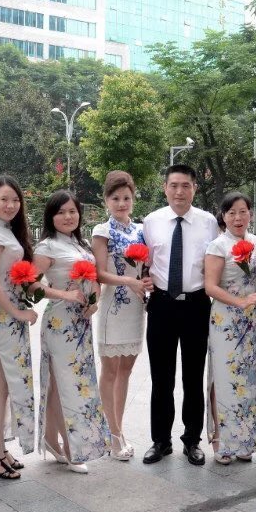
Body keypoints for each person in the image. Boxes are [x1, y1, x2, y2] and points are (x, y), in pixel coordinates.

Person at [141, 164, 219, 465]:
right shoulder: (151, 221)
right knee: (161, 378)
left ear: (194, 189)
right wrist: (144, 280)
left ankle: (192, 440)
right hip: (161, 304)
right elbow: (145, 262)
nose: (179, 191)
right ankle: (160, 441)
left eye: (186, 185)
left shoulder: (208, 222)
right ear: (165, 188)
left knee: (193, 376)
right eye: (173, 185)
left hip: (196, 305)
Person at [34, 190, 110, 473]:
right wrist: (63, 295)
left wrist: (95, 300)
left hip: (81, 323)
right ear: (51, 217)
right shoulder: (47, 247)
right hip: (59, 322)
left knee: (70, 383)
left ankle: (52, 439)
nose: (68, 217)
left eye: (72, 211)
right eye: (61, 212)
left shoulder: (82, 244)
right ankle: (69, 447)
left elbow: (94, 279)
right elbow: (29, 283)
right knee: (64, 384)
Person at [0, 175, 37, 480]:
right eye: (4, 199)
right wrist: (16, 311)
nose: (10, 205)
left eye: (15, 200)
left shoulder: (5, 230)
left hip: (10, 316)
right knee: (0, 386)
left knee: (5, 385)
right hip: (2, 316)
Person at [91, 171, 151, 461]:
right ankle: (112, 435)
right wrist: (129, 281)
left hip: (136, 306)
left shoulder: (141, 231)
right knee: (111, 370)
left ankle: (118, 428)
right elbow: (99, 273)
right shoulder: (102, 231)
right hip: (113, 306)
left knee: (126, 369)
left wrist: (146, 280)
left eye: (126, 198)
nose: (121, 203)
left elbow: (145, 268)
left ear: (133, 198)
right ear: (106, 200)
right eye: (115, 198)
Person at [205, 192, 256, 464]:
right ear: (223, 216)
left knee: (247, 379)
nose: (238, 217)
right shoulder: (218, 246)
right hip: (225, 320)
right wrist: (240, 302)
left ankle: (243, 440)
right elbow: (210, 287)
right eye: (231, 213)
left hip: (250, 321)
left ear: (250, 214)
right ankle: (221, 439)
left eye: (243, 212)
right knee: (224, 377)